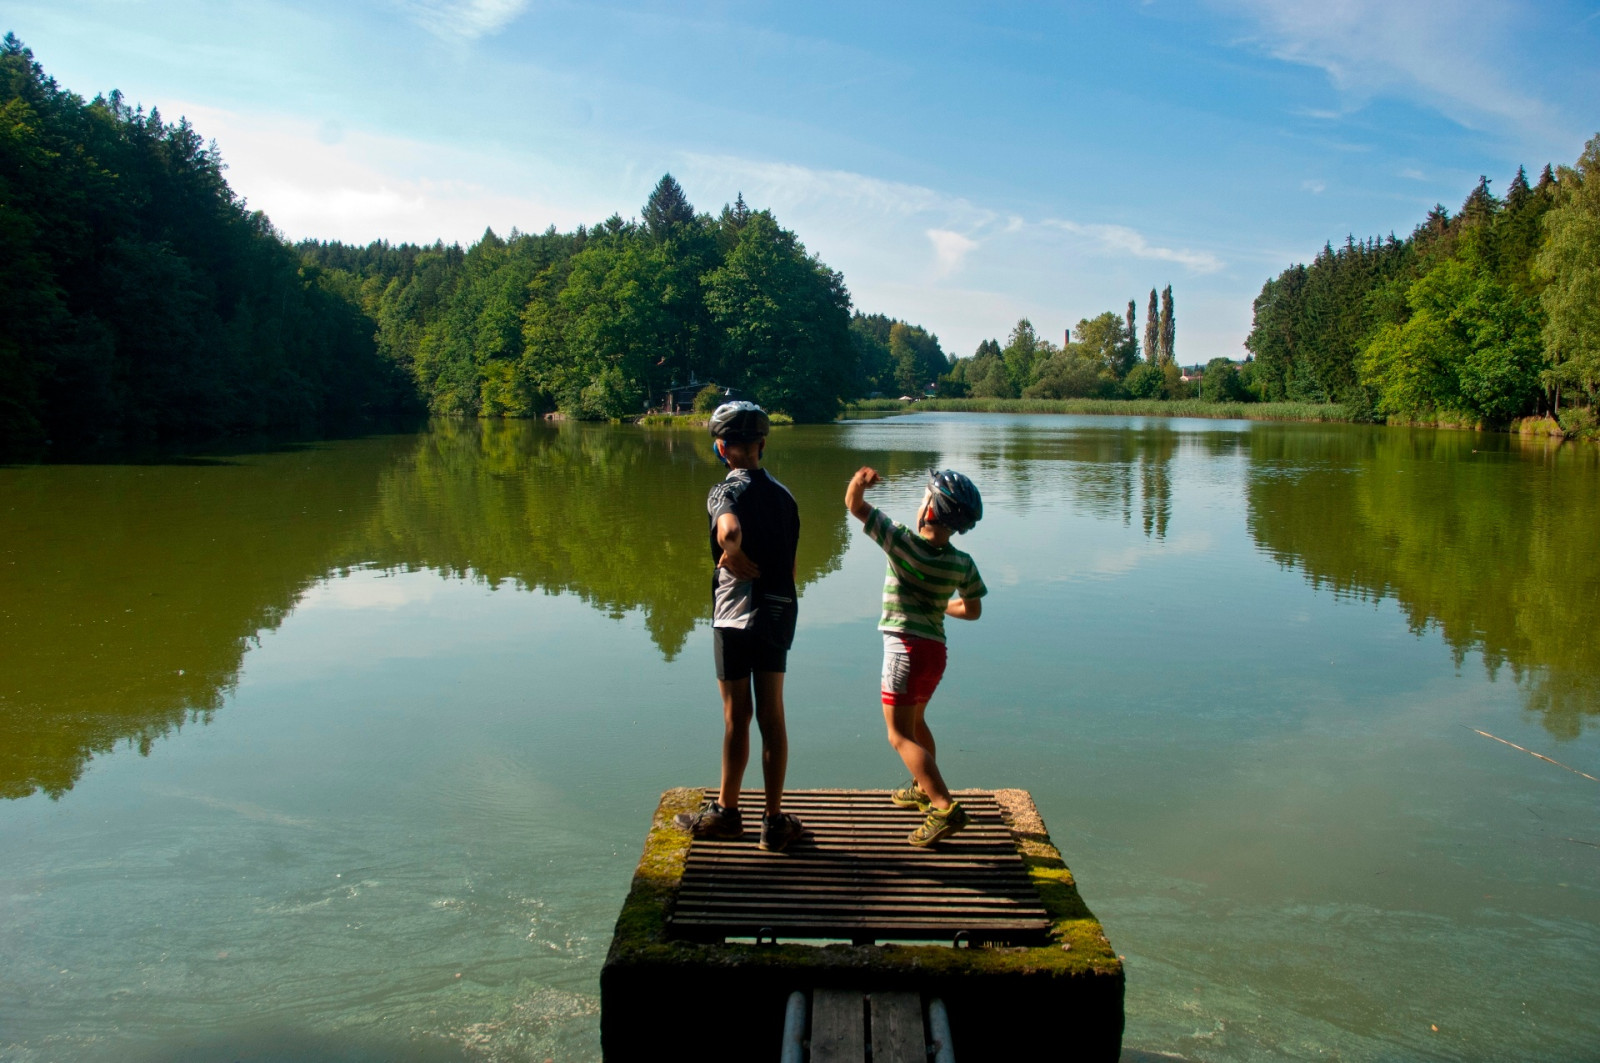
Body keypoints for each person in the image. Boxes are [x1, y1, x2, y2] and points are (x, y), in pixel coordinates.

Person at [674, 401, 805, 852]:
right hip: (778, 610)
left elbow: (728, 529)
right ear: (761, 446)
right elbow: (790, 563)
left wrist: (730, 550)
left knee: (737, 718)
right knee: (773, 715)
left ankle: (728, 814)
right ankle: (774, 821)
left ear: (721, 448)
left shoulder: (722, 492)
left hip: (734, 616)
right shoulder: (786, 496)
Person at [845, 466, 987, 846]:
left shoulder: (900, 541)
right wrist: (942, 607)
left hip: (904, 651)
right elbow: (972, 610)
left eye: (924, 496)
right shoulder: (962, 563)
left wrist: (859, 482)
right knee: (918, 722)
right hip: (935, 654)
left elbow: (855, 507)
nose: (920, 500)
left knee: (898, 735)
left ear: (929, 510)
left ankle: (944, 806)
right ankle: (924, 788)